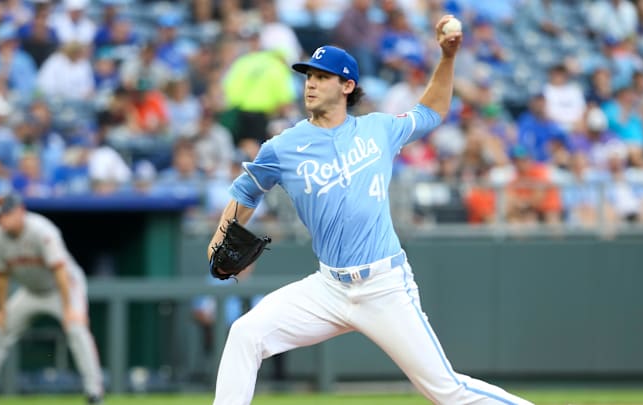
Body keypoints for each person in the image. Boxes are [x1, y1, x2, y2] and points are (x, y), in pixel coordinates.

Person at [207, 16, 533, 405]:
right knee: (246, 334)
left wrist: (447, 58)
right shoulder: (282, 147)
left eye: (322, 76)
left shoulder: (378, 129)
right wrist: (218, 240)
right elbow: (246, 191)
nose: (311, 82)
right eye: (309, 74)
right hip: (328, 288)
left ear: (347, 86)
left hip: (383, 286)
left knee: (446, 390)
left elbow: (432, 111)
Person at [0, 191, 104, 405]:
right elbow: (0, 275)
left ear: (20, 211)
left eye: (6, 214)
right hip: (31, 291)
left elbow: (60, 271)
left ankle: (94, 394)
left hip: (63, 287)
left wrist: (70, 308)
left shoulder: (42, 230)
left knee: (76, 329)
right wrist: (2, 311)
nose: (2, 219)